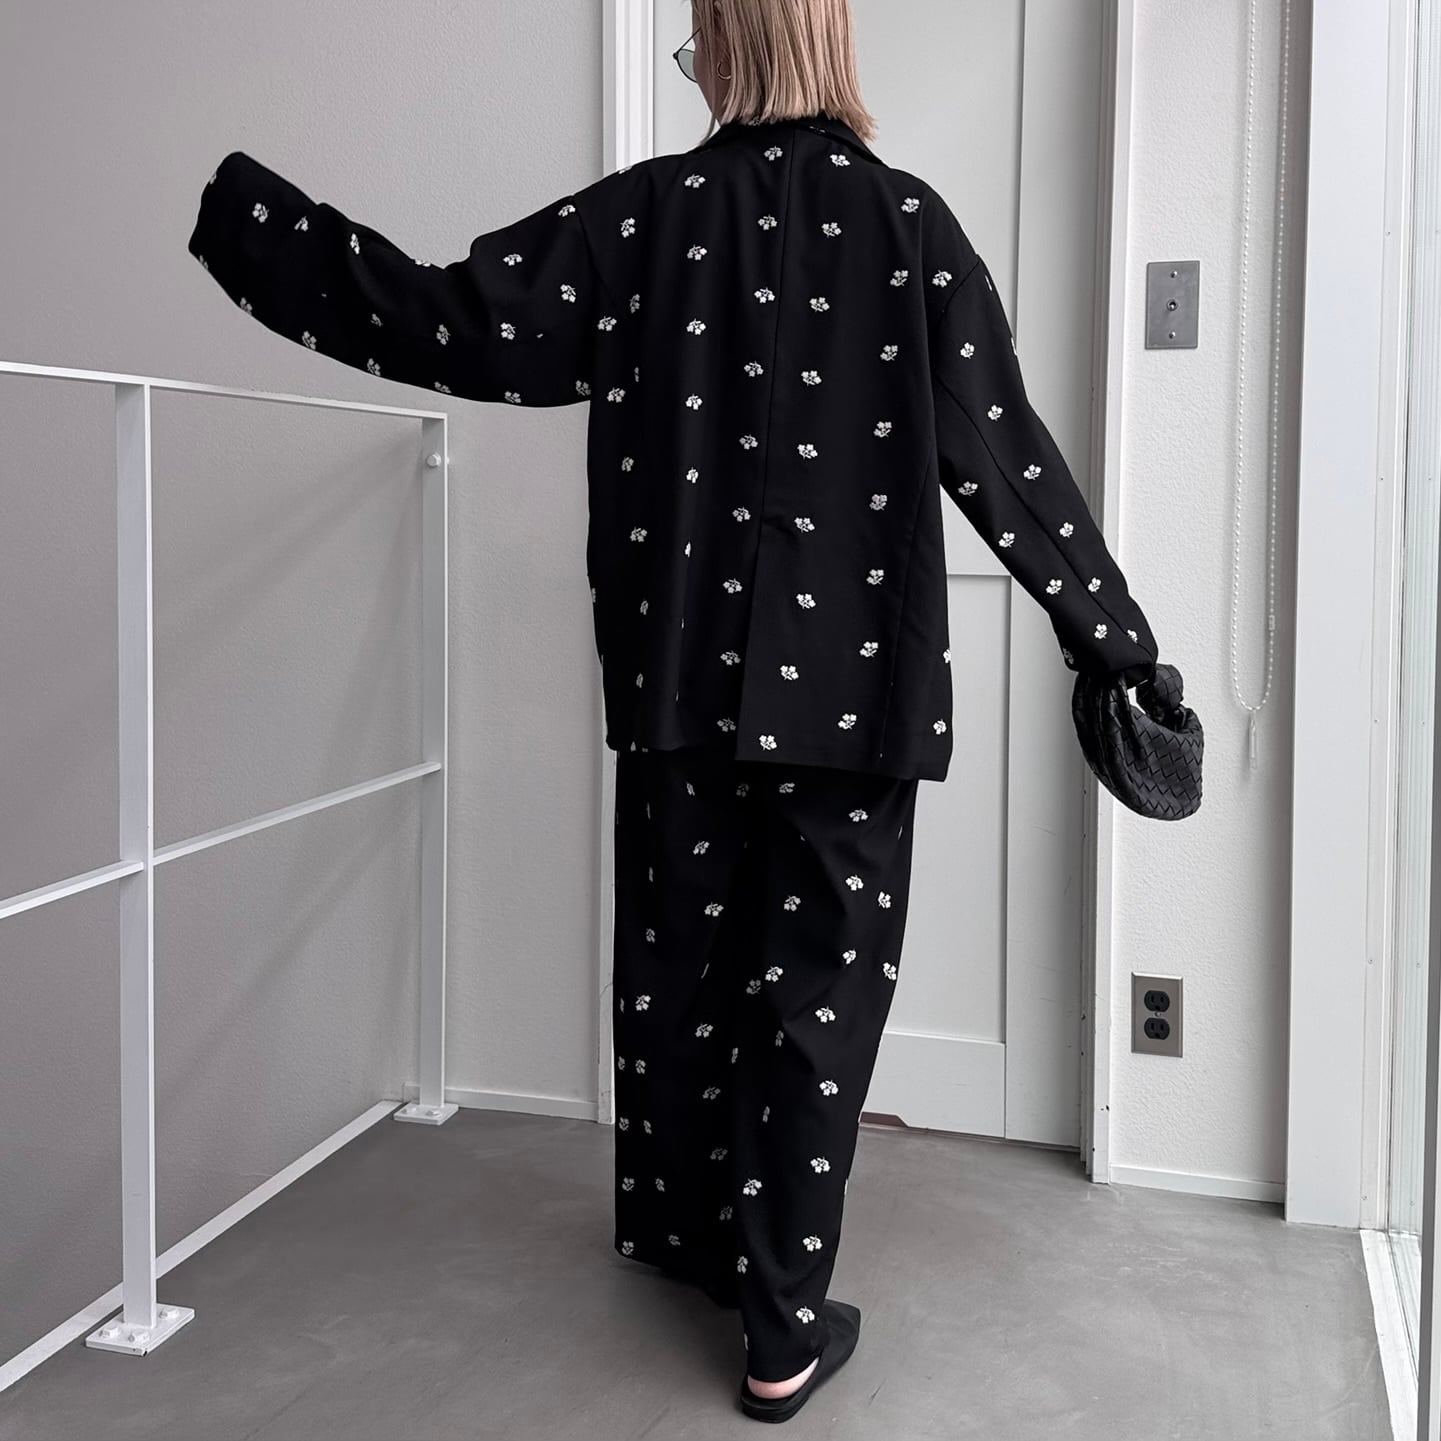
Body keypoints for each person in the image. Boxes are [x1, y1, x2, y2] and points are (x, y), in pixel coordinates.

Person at [186, 0, 1162, 1420]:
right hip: (849, 699)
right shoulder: (908, 228)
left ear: (726, 46)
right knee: (814, 1002)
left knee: (680, 973)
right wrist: (1120, 652)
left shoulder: (648, 218)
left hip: (680, 678)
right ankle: (781, 1328)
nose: (692, 63)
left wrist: (254, 226)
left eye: (697, 39)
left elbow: (456, 323)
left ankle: (690, 1240)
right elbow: (1004, 456)